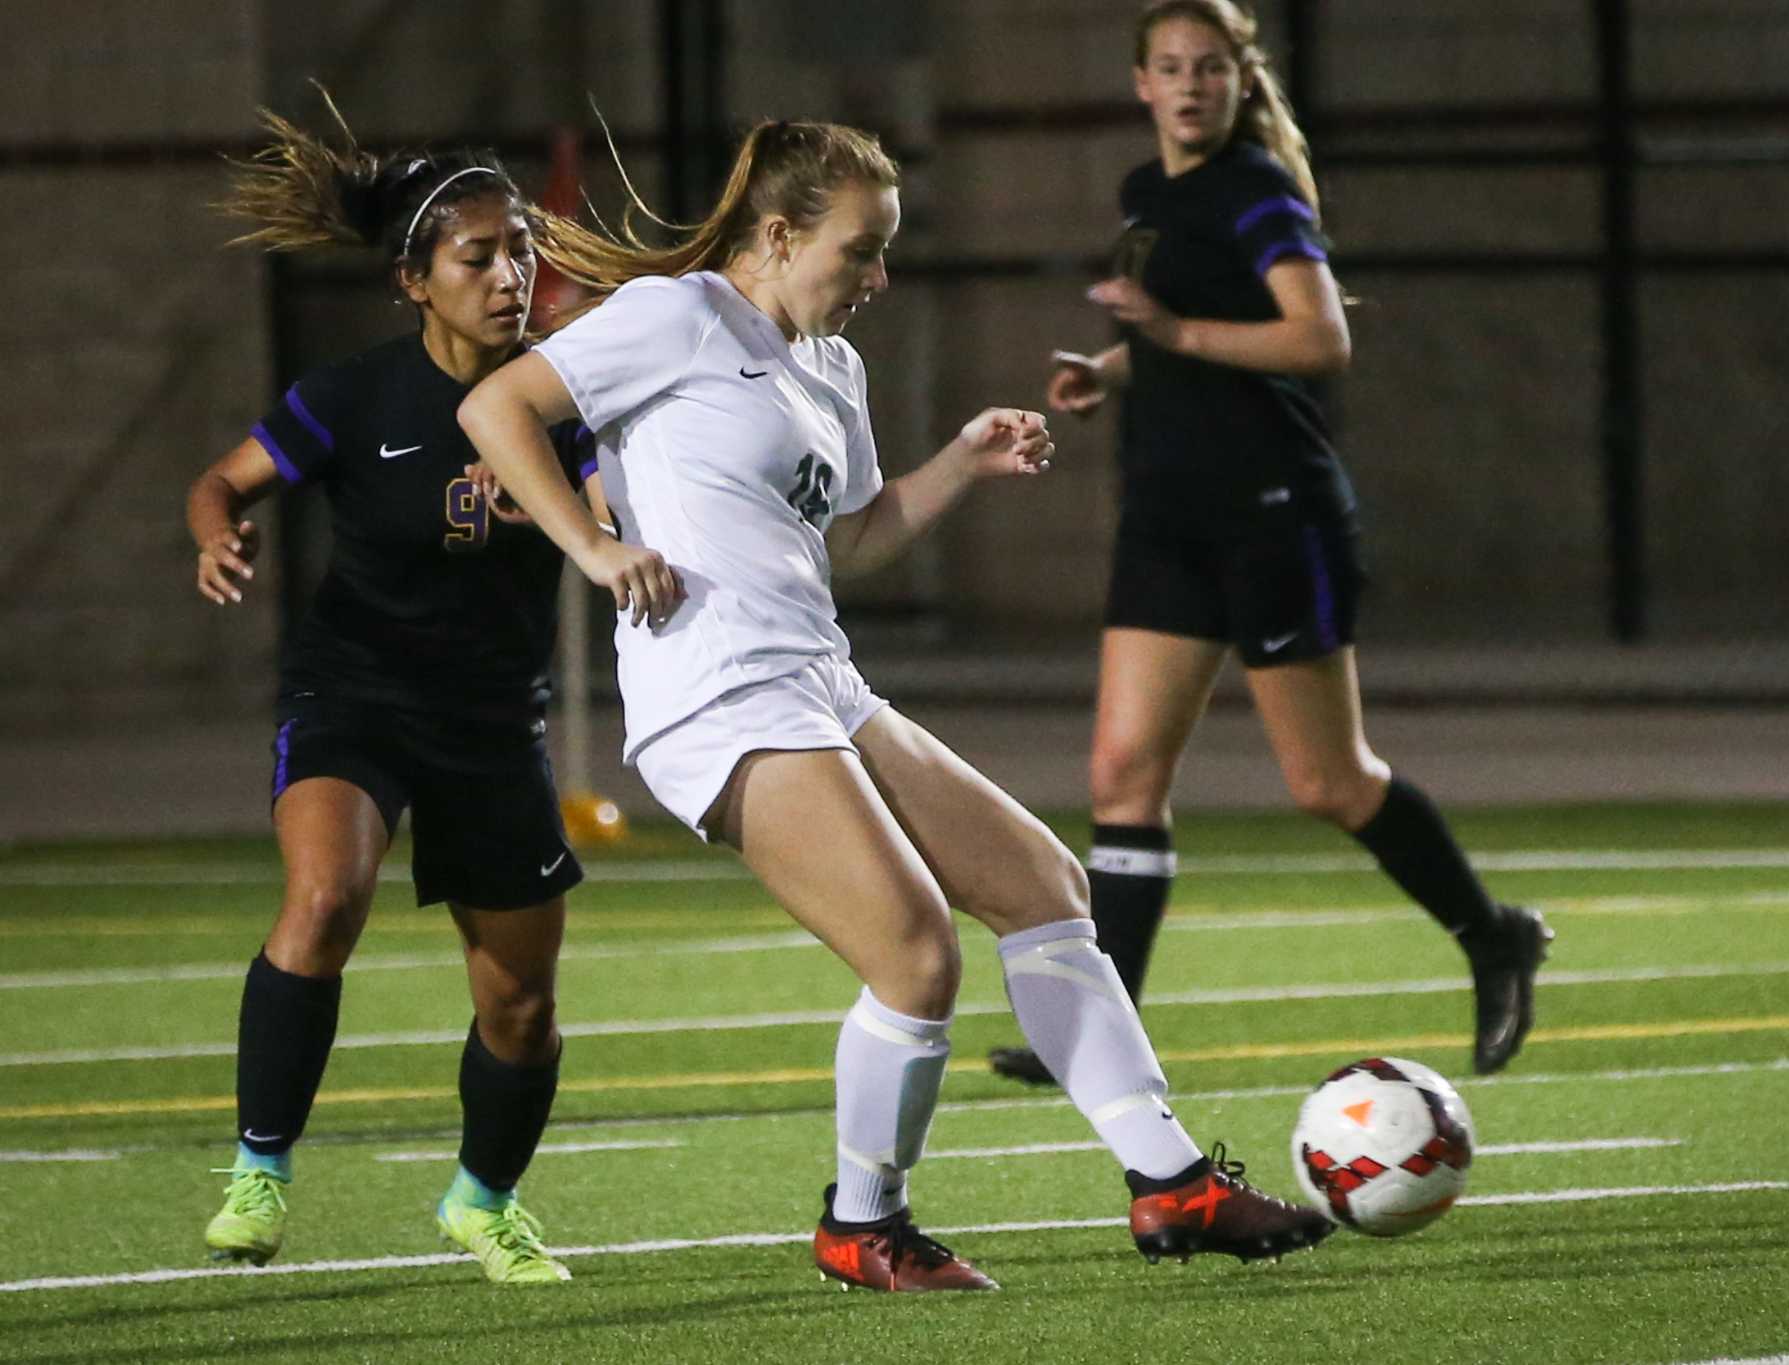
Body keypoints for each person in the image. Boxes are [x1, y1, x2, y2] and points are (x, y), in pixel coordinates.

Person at [458, 117, 1332, 1292]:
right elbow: (496, 409)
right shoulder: (675, 317)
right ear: (777, 234)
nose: (879, 277)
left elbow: (851, 542)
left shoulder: (830, 362)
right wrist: (596, 548)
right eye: (861, 251)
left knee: (1041, 885)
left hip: (815, 676)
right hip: (713, 694)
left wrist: (961, 462)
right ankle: (860, 1227)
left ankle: (1171, 1186)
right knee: (915, 958)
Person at [986, 0, 1552, 1089]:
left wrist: (1170, 335)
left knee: (1329, 784)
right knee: (1120, 774)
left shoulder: (1255, 192)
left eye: (1209, 67)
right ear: (1140, 85)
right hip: (1167, 513)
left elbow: (1317, 336)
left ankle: (1492, 936)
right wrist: (1107, 373)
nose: (1190, 85)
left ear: (1239, 81)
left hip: (1270, 511)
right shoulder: (1145, 194)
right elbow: (1171, 337)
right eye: (1169, 67)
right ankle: (1100, 1038)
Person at [185, 93, 601, 1284]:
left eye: (521, 247)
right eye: (480, 256)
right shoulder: (354, 396)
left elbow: (620, 515)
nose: (511, 272)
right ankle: (260, 1171)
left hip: (491, 720)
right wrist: (216, 534)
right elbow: (220, 481)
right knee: (323, 903)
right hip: (353, 692)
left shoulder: (566, 398)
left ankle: (482, 1201)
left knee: (520, 1008)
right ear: (415, 281)